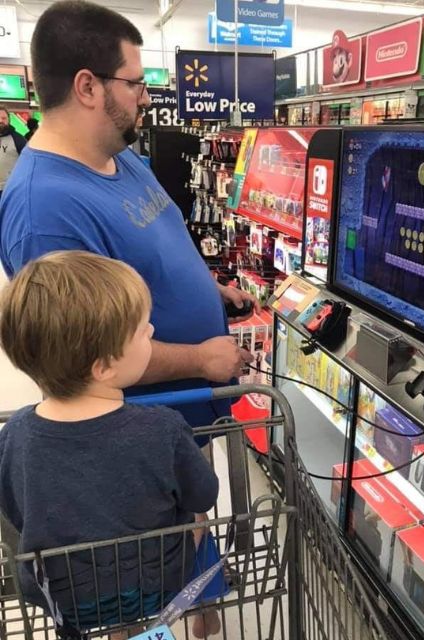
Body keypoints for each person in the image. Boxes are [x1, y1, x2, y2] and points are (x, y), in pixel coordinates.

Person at [0, 0, 257, 434]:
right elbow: (85, 357)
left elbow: (152, 246)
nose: (147, 97)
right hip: (140, 443)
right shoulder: (43, 212)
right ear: (87, 87)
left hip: (188, 421)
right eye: (135, 84)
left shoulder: (119, 155)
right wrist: (200, 359)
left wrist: (209, 291)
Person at [0, 250, 222, 639]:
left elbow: (16, 512)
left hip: (65, 598)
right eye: (141, 329)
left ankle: (121, 630)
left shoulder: (14, 435)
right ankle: (196, 612)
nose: (151, 331)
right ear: (103, 366)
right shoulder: (163, 428)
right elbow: (204, 494)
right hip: (156, 585)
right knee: (199, 518)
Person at [0, 107, 26, 196]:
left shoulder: (18, 139)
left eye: (4, 118)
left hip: (9, 189)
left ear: (9, 120)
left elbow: (28, 163)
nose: (1, 121)